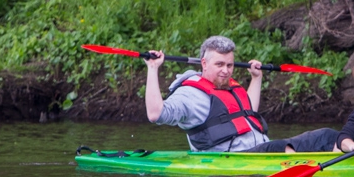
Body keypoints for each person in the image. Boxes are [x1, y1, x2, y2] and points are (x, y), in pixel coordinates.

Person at [145, 35, 338, 153]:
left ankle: (353, 152)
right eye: (219, 64)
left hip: (262, 150)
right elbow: (155, 115)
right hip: (233, 158)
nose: (226, 71)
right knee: (279, 147)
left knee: (326, 135)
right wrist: (153, 69)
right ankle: (309, 164)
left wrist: (256, 78)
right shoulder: (189, 94)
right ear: (204, 63)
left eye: (229, 65)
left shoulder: (229, 87)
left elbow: (247, 112)